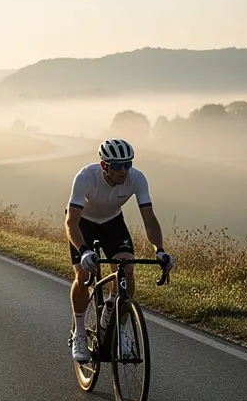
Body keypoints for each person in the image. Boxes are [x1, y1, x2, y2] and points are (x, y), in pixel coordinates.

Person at [65, 138, 176, 363]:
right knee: (83, 275)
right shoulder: (86, 176)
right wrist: (84, 250)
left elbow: (150, 220)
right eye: (117, 166)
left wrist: (160, 250)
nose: (124, 170)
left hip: (113, 223)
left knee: (127, 270)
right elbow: (71, 222)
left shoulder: (137, 178)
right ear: (104, 165)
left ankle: (117, 325)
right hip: (83, 224)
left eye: (128, 164)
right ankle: (79, 332)